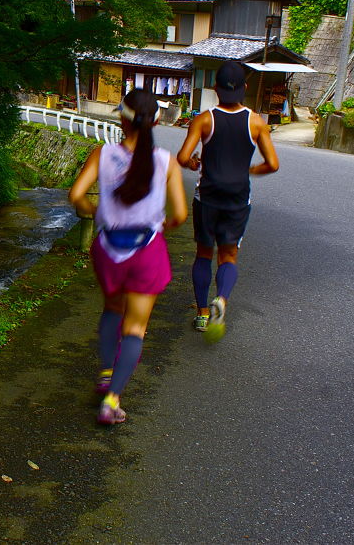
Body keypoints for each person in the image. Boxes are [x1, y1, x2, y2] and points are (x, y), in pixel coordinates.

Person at [69, 90, 187, 425]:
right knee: (135, 328)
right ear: (156, 122)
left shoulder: (102, 154)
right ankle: (112, 400)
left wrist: (97, 213)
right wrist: (161, 225)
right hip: (145, 250)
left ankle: (106, 372)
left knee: (111, 309)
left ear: (122, 118)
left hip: (108, 249)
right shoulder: (165, 161)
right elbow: (179, 215)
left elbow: (76, 195)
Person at [176, 60, 279, 339]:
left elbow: (183, 157)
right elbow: (272, 163)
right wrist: (249, 170)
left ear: (216, 88)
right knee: (228, 255)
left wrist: (195, 164)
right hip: (237, 198)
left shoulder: (204, 119)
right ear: (245, 88)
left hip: (207, 197)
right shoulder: (256, 122)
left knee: (203, 253)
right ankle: (221, 299)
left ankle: (201, 314)